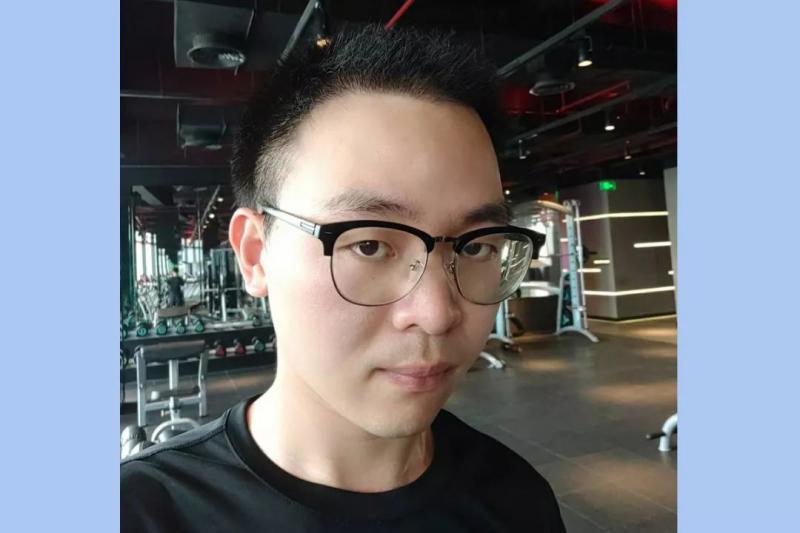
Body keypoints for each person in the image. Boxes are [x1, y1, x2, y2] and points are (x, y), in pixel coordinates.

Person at [121, 25, 565, 532]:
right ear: (255, 254)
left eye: (477, 246)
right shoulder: (139, 513)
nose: (437, 313)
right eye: (369, 245)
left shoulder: (518, 501)